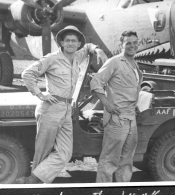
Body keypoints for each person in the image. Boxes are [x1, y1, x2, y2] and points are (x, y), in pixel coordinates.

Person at [16, 25, 108, 184]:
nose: (71, 43)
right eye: (68, 41)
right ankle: (34, 184)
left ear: (78, 44)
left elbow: (88, 47)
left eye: (74, 41)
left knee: (65, 152)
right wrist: (40, 94)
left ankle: (34, 179)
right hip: (50, 109)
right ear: (62, 43)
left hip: (67, 110)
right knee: (43, 150)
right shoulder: (52, 58)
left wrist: (97, 50)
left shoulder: (78, 56)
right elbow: (27, 74)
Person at [90, 30, 143, 182]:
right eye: (128, 43)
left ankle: (122, 189)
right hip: (116, 119)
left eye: (134, 43)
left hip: (131, 118)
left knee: (126, 161)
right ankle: (101, 190)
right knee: (109, 160)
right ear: (121, 45)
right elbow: (95, 82)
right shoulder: (114, 62)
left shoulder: (134, 63)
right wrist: (106, 103)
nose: (132, 46)